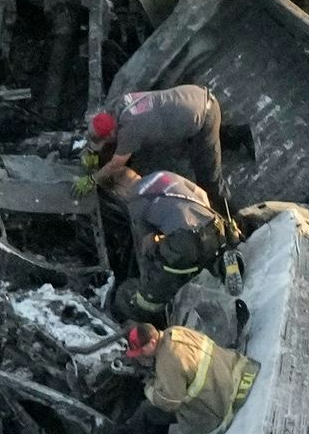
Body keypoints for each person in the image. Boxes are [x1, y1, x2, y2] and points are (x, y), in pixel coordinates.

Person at [113, 169, 233, 321]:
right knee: (203, 254)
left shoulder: (134, 200)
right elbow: (202, 194)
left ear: (120, 188)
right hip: (214, 225)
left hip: (185, 241)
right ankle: (223, 264)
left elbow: (148, 243)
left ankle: (156, 306)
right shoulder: (164, 175)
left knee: (164, 269)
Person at [86, 84, 227, 204]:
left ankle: (233, 213)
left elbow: (116, 164)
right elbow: (105, 138)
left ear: (111, 133)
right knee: (209, 135)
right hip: (194, 96)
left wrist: (92, 180)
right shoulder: (118, 105)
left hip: (203, 115)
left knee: (208, 177)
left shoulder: (130, 129)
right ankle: (240, 135)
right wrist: (93, 154)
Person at [122, 319, 257, 434]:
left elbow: (171, 402)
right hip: (228, 370)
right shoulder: (175, 331)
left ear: (152, 342)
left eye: (141, 350)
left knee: (145, 411)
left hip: (217, 404)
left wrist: (149, 389)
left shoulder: (166, 362)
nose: (140, 355)